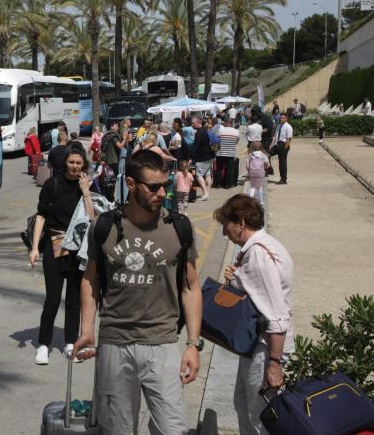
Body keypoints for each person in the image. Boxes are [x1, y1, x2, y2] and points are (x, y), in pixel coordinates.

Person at [74, 150, 203, 435]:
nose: (162, 193)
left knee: (173, 429)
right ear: (131, 184)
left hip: (162, 343)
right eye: (154, 187)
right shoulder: (104, 227)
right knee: (117, 429)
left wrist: (193, 344)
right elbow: (91, 280)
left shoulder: (179, 228)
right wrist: (87, 329)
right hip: (115, 343)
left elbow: (190, 286)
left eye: (165, 186)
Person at [214, 195, 294, 435]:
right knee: (242, 403)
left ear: (241, 223)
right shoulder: (260, 248)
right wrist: (236, 279)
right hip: (255, 345)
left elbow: (277, 317)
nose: (224, 233)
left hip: (265, 348)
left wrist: (274, 364)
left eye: (226, 225)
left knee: (260, 416)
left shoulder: (258, 256)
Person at [29, 143, 94, 365]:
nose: (74, 166)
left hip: (78, 249)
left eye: (78, 163)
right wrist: (35, 248)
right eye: (71, 162)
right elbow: (41, 216)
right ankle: (43, 344)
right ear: (65, 162)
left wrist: (86, 192)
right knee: (53, 298)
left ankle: (70, 343)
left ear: (84, 164)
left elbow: (93, 217)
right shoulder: (52, 184)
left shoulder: (87, 185)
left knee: (74, 298)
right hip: (54, 246)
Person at [189, 116, 215, 201]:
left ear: (198, 122)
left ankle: (205, 193)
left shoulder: (199, 132)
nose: (192, 125)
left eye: (193, 123)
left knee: (199, 175)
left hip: (201, 158)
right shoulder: (206, 130)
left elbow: (196, 146)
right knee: (208, 174)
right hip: (210, 156)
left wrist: (191, 156)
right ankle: (208, 192)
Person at [216, 117, 240, 188]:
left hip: (220, 153)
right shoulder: (236, 131)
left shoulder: (220, 130)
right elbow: (236, 142)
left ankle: (218, 184)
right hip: (230, 153)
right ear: (232, 123)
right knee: (229, 169)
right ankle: (227, 184)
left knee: (219, 168)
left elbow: (217, 141)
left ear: (225, 123)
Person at [270, 114, 293, 185]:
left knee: (282, 163)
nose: (281, 119)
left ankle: (283, 179)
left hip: (283, 145)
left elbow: (289, 138)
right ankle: (269, 170)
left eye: (283, 118)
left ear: (286, 119)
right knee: (267, 154)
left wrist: (285, 148)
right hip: (277, 144)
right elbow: (275, 136)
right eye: (280, 118)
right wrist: (271, 145)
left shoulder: (288, 127)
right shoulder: (279, 126)